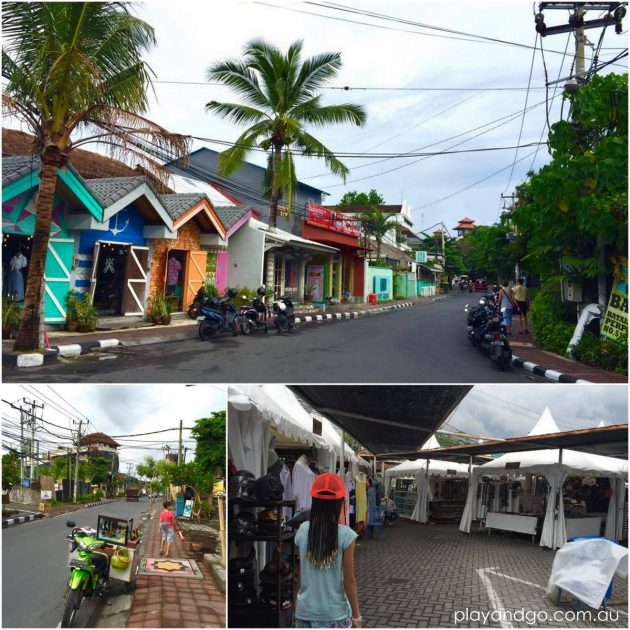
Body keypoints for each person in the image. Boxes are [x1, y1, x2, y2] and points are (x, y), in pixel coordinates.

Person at [295, 473, 362, 629]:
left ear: (314, 501)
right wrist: (357, 616)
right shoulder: (346, 535)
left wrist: (295, 600)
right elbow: (349, 582)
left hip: (305, 612)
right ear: (340, 502)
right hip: (334, 615)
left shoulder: (303, 530)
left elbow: (300, 572)